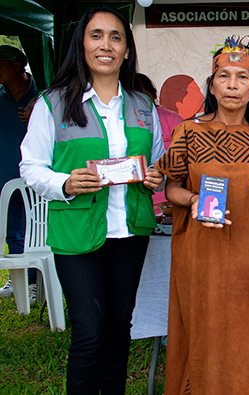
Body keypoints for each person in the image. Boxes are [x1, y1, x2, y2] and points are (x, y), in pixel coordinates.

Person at [19, 6, 165, 394]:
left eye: (116, 37)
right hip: (77, 231)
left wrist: (156, 177)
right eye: (96, 35)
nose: (106, 45)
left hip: (130, 230)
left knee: (120, 325)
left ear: (127, 50)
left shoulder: (142, 106)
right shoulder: (53, 103)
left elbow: (157, 162)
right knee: (89, 328)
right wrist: (65, 182)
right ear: (81, 45)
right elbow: (30, 167)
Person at [155, 37, 249, 394]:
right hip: (200, 252)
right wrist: (194, 200)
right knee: (202, 325)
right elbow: (171, 189)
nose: (232, 85)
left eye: (242, 77)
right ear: (211, 84)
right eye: (224, 76)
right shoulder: (188, 131)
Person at [0, 45, 39, 300]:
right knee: (12, 229)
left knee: (38, 229)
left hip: (36, 179)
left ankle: (36, 282)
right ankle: (19, 281)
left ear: (16, 66)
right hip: (5, 177)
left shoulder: (44, 95)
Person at [135, 72, 184, 213]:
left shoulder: (173, 120)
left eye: (143, 97)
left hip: (169, 203)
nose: (139, 103)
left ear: (154, 95)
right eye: (134, 97)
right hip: (139, 204)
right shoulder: (123, 124)